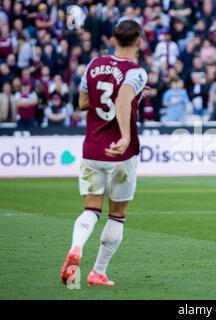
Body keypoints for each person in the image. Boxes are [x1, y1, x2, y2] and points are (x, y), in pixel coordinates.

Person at [60, 20, 148, 286]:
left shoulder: (94, 64)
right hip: (121, 153)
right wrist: (124, 136)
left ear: (113, 40)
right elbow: (122, 99)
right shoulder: (136, 72)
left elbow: (83, 102)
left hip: (92, 148)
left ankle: (76, 247)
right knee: (117, 215)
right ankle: (98, 271)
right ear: (140, 42)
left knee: (91, 209)